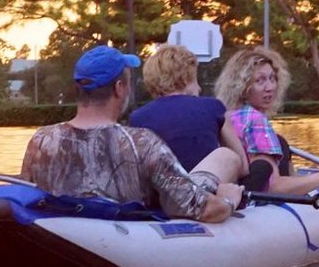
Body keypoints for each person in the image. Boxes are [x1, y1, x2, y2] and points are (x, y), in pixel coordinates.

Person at [19, 45, 239, 223]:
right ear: (119, 88)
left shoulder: (41, 141)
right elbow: (205, 210)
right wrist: (227, 200)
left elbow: (26, 196)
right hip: (126, 243)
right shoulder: (142, 143)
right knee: (226, 158)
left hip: (67, 235)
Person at [213, 44, 319, 196]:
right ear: (243, 86)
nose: (269, 87)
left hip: (234, 195)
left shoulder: (226, 115)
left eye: (272, 78)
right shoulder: (255, 120)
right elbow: (273, 187)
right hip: (257, 203)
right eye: (260, 81)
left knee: (281, 141)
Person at [128, 43, 252, 186]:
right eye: (195, 79)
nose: (199, 89)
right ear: (186, 78)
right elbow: (242, 167)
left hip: (159, 198)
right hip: (203, 197)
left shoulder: (137, 117)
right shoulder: (213, 107)